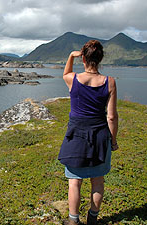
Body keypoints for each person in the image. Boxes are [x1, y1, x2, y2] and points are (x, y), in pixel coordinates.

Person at [58, 40, 119, 225]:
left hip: (76, 136)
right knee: (97, 181)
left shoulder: (73, 79)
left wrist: (70, 56)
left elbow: (65, 73)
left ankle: (73, 221)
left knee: (74, 182)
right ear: (100, 59)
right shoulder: (109, 82)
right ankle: (92, 219)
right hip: (100, 136)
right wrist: (113, 141)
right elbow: (111, 117)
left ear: (83, 58)